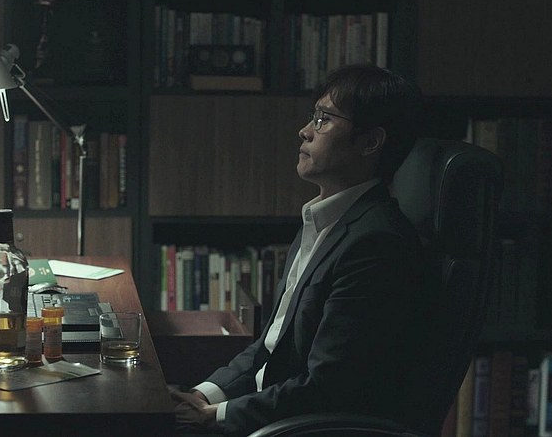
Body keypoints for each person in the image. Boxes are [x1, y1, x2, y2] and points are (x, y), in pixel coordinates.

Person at [170, 64, 434, 436]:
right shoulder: (324, 219)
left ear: (370, 142)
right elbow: (270, 346)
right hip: (264, 410)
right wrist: (201, 395)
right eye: (313, 116)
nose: (305, 130)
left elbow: (328, 387)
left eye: (324, 119)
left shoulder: (376, 243)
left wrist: (215, 415)